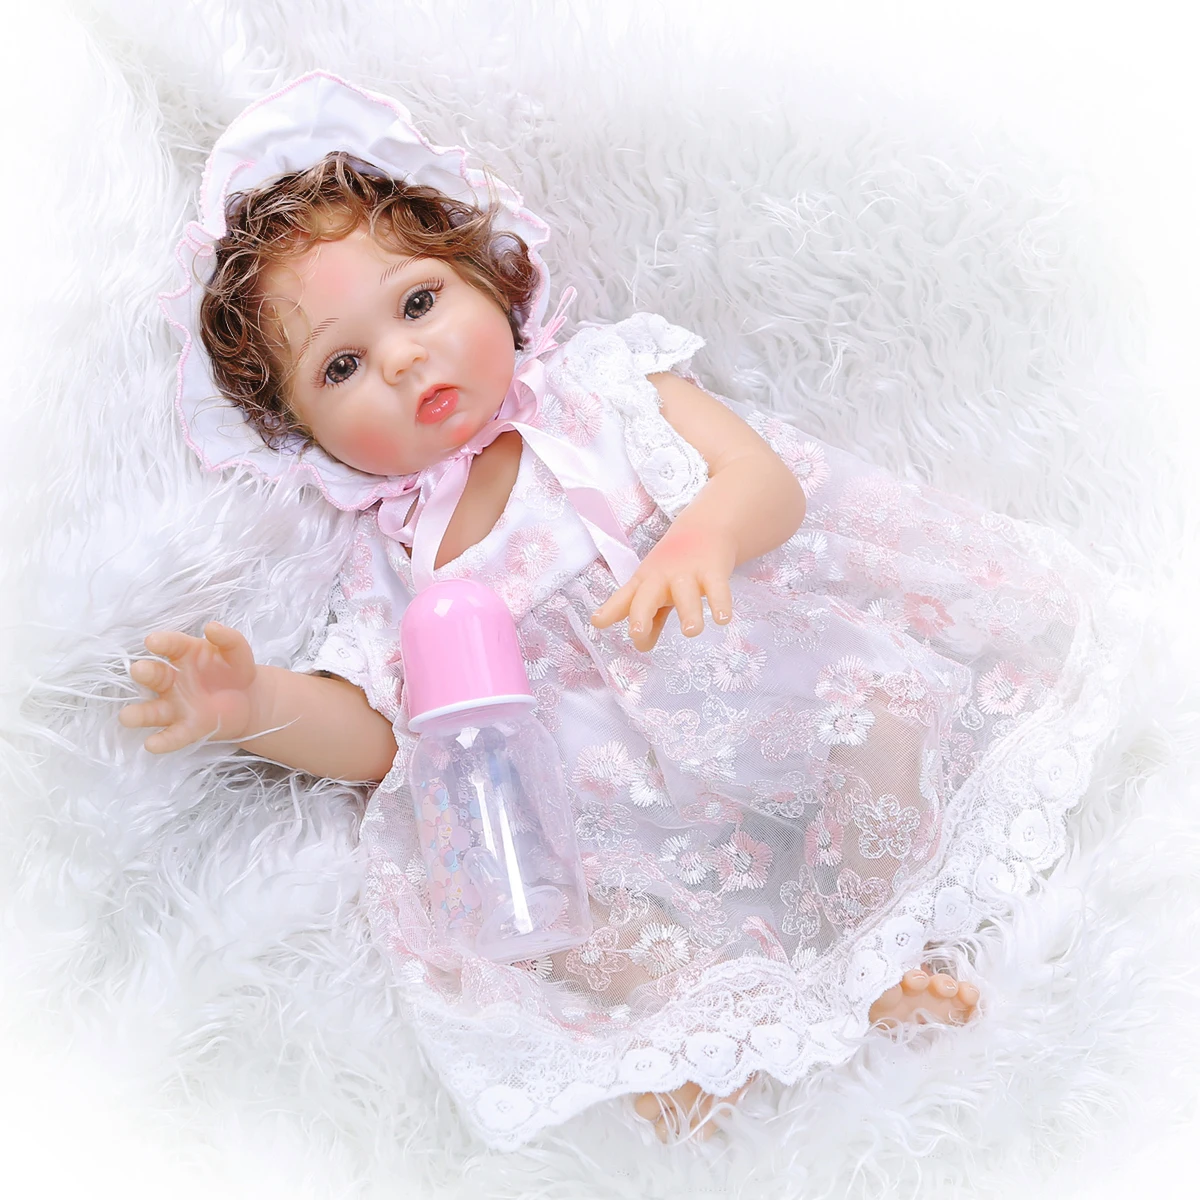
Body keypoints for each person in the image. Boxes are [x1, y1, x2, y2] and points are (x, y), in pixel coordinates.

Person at [122, 72, 1135, 1147]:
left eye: (417, 303)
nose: (405, 357)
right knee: (557, 924)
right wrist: (254, 707)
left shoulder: (601, 392)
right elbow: (384, 739)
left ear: (486, 274)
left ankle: (879, 948)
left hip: (760, 685)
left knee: (882, 716)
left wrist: (703, 537)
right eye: (342, 365)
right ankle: (698, 1025)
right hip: (604, 808)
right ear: (303, 434)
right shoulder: (396, 561)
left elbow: (766, 482)